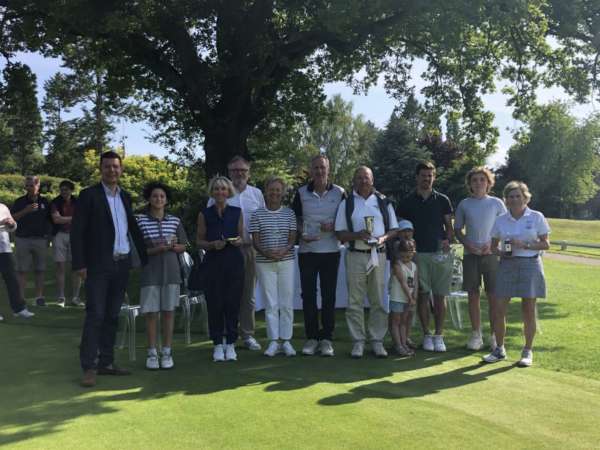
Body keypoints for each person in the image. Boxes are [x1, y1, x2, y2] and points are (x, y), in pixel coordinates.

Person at [71, 151, 148, 387]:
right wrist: (79, 264)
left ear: (121, 169)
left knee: (112, 316)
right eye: (107, 166)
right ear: (101, 169)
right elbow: (77, 231)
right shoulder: (89, 195)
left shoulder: (125, 196)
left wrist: (143, 258)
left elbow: (131, 228)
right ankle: (89, 367)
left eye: (115, 166)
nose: (112, 170)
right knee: (95, 315)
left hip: (121, 264)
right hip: (98, 266)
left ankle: (107, 362)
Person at [483, 181, 550, 367]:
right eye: (510, 196)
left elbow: (546, 244)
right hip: (507, 264)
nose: (514, 199)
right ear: (506, 199)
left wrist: (525, 245)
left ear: (525, 197)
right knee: (498, 309)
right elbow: (493, 247)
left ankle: (527, 351)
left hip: (531, 264)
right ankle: (499, 349)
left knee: (528, 310)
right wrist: (502, 252)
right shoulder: (501, 219)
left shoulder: (536, 216)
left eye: (518, 196)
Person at [335, 166, 399, 358]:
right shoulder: (347, 203)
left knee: (378, 299)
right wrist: (357, 235)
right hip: (355, 254)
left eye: (366, 177)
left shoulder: (383, 201)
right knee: (354, 300)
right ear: (354, 180)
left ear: (372, 180)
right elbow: (339, 233)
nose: (363, 181)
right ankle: (358, 341)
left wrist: (382, 239)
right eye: (359, 178)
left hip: (378, 254)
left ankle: (377, 340)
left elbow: (394, 229)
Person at [207, 156, 264, 351]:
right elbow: (209, 222)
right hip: (223, 251)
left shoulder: (256, 194)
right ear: (229, 172)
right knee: (225, 294)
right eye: (235, 170)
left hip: (248, 249)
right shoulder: (219, 193)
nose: (239, 174)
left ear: (249, 172)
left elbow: (262, 221)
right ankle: (225, 334)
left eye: (243, 170)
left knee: (248, 295)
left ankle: (247, 334)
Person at [291, 154, 345, 357]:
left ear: (328, 169)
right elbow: (295, 219)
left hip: (331, 251)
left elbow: (346, 218)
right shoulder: (301, 193)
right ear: (311, 170)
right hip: (307, 252)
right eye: (316, 168)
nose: (319, 171)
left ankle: (327, 339)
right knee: (308, 296)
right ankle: (312, 337)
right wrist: (302, 232)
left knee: (329, 296)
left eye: (323, 167)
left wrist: (336, 225)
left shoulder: (340, 192)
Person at [397, 161, 453, 353]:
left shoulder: (443, 200)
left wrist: (448, 240)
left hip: (439, 254)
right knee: (422, 295)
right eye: (423, 175)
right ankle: (427, 334)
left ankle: (439, 335)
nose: (427, 179)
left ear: (434, 177)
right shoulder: (406, 201)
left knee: (440, 295)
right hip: (417, 255)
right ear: (417, 177)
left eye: (430, 175)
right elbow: (400, 229)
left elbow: (449, 227)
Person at [136, 182, 188, 370]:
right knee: (151, 314)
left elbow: (184, 245)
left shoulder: (174, 221)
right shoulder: (140, 221)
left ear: (166, 200)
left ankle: (167, 352)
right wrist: (156, 249)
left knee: (168, 312)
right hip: (150, 272)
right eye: (155, 196)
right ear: (149, 199)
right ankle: (152, 353)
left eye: (162, 196)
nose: (158, 199)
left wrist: (174, 247)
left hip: (171, 272)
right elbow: (138, 250)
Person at [454, 167, 506, 350]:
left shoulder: (497, 203)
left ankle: (494, 335)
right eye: (474, 180)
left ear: (488, 183)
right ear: (470, 183)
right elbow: (458, 230)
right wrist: (467, 244)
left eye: (482, 179)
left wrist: (491, 244)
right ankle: (476, 335)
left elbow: (504, 227)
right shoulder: (464, 204)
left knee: (493, 296)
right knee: (473, 295)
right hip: (471, 255)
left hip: (491, 255)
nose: (478, 183)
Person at [197, 176, 245, 362]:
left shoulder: (237, 212)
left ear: (228, 191)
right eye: (216, 189)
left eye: (223, 189)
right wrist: (211, 245)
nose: (220, 192)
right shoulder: (204, 213)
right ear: (212, 191)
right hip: (213, 262)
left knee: (232, 303)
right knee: (215, 303)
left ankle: (231, 343)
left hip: (234, 261)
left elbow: (242, 237)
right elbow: (199, 241)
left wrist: (238, 241)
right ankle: (217, 343)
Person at [250, 177, 298, 357]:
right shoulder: (257, 214)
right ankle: (273, 341)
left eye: (278, 190)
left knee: (286, 302)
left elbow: (292, 238)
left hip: (286, 261)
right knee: (271, 303)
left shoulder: (289, 214)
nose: (275, 193)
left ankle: (286, 341)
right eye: (271, 190)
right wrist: (267, 253)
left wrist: (283, 250)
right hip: (264, 263)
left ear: (283, 192)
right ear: (266, 192)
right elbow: (255, 241)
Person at [11, 175, 52, 307]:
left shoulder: (45, 202)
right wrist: (26, 210)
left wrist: (48, 237)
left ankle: (39, 297)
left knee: (40, 270)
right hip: (23, 239)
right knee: (22, 270)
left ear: (38, 186)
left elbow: (49, 221)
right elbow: (12, 218)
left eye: (31, 185)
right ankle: (21, 299)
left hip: (40, 240)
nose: (28, 188)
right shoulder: (19, 202)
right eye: (27, 185)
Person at [50, 180, 82, 307]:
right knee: (60, 267)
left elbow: (83, 218)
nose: (63, 192)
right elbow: (56, 220)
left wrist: (66, 219)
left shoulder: (78, 202)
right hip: (59, 235)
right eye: (62, 189)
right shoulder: (55, 202)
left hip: (75, 236)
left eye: (66, 189)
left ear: (71, 190)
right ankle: (61, 298)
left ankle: (75, 297)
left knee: (76, 267)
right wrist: (74, 218)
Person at [0, 202, 35, 319]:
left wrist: (12, 224)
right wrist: (2, 223)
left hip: (4, 248)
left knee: (12, 279)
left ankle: (19, 309)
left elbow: (13, 227)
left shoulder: (3, 207)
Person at [388, 238, 418, 357]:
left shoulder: (414, 266)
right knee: (396, 321)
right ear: (399, 253)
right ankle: (398, 345)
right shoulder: (397, 265)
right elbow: (403, 283)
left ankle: (404, 343)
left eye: (409, 255)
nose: (407, 258)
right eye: (404, 256)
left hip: (408, 298)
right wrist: (410, 298)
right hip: (397, 297)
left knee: (404, 322)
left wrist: (414, 296)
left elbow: (415, 282)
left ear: (413, 253)